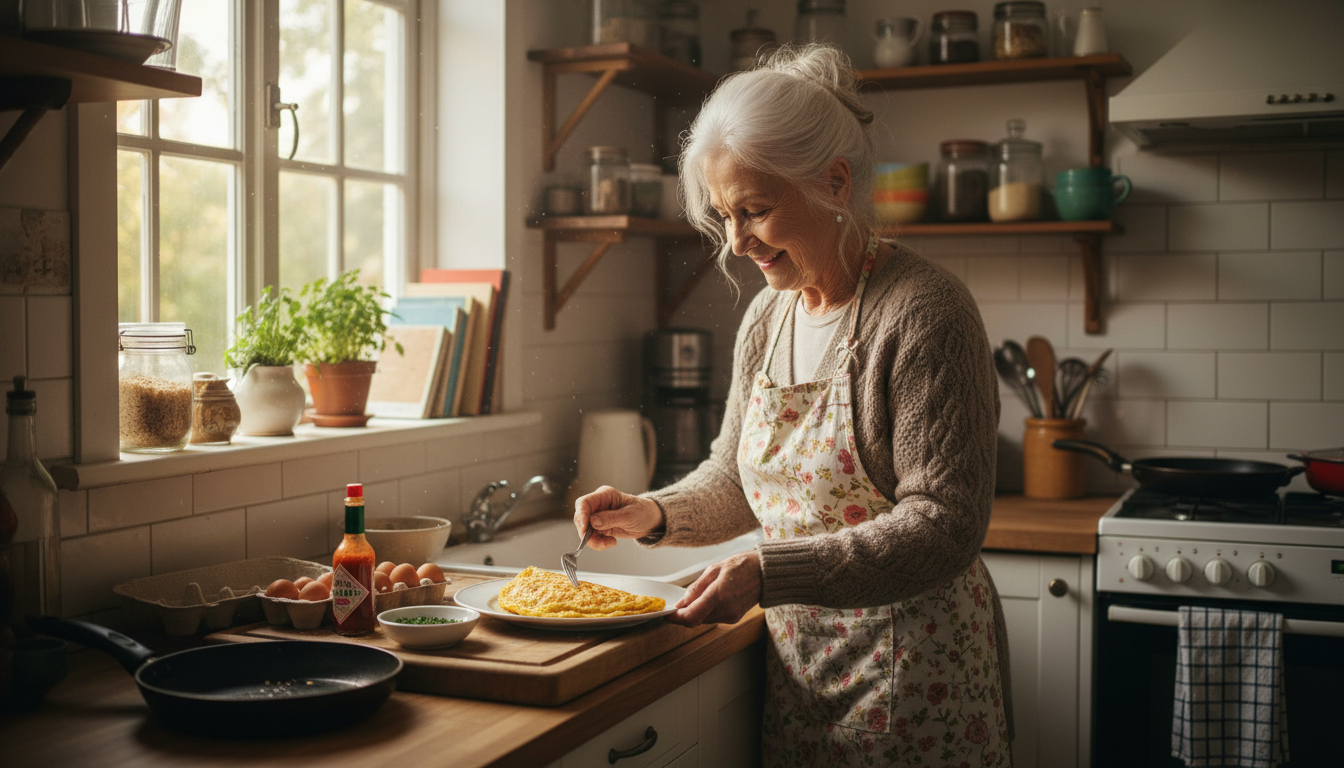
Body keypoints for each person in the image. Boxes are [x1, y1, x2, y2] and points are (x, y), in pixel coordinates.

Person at [574, 44, 1013, 768]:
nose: (739, 242)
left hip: (917, 678)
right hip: (802, 674)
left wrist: (768, 572)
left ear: (834, 183)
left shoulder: (925, 311)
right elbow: (734, 479)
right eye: (724, 216)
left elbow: (945, 525)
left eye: (755, 211)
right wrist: (651, 514)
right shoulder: (768, 319)